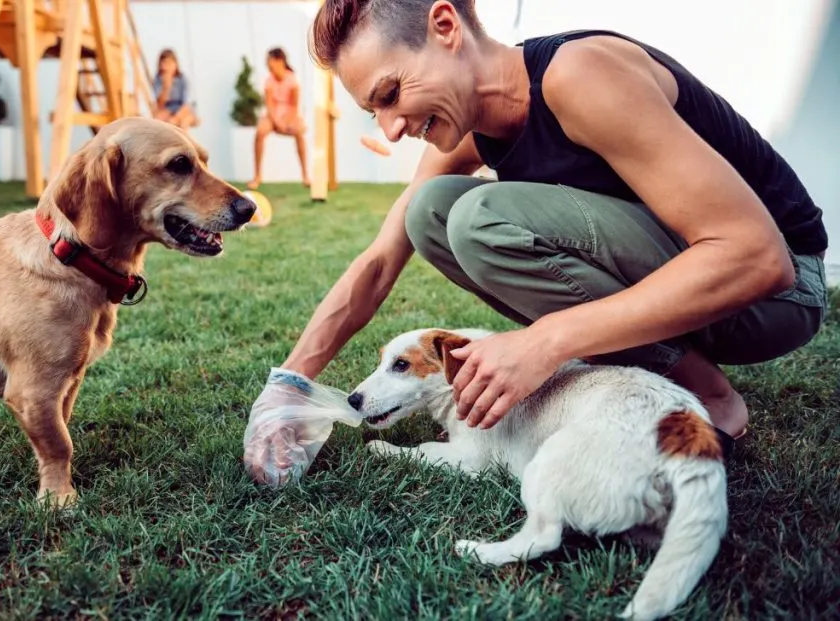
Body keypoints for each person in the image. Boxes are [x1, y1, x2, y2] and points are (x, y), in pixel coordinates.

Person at [243, 0, 830, 482]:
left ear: (445, 28)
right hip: (694, 277)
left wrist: (546, 342)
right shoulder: (469, 126)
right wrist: (289, 387)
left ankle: (711, 394)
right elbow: (379, 261)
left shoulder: (580, 76)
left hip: (778, 296)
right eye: (375, 111)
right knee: (427, 212)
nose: (391, 128)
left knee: (477, 218)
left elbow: (759, 258)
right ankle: (675, 368)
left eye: (391, 93)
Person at [248, 48, 310, 190]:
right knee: (260, 132)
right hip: (273, 116)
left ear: (279, 61)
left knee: (300, 132)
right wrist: (277, 122)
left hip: (289, 115)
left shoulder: (292, 79)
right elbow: (269, 106)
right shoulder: (269, 81)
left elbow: (294, 106)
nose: (267, 64)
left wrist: (286, 121)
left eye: (269, 60)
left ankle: (306, 176)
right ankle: (257, 176)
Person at [154, 49, 197, 130]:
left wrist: (175, 118)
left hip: (182, 109)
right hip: (167, 109)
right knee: (157, 119)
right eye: (164, 63)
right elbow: (159, 105)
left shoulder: (182, 79)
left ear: (175, 64)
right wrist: (166, 87)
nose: (167, 66)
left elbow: (185, 104)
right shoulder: (158, 79)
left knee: (184, 121)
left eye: (170, 63)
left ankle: (183, 141)